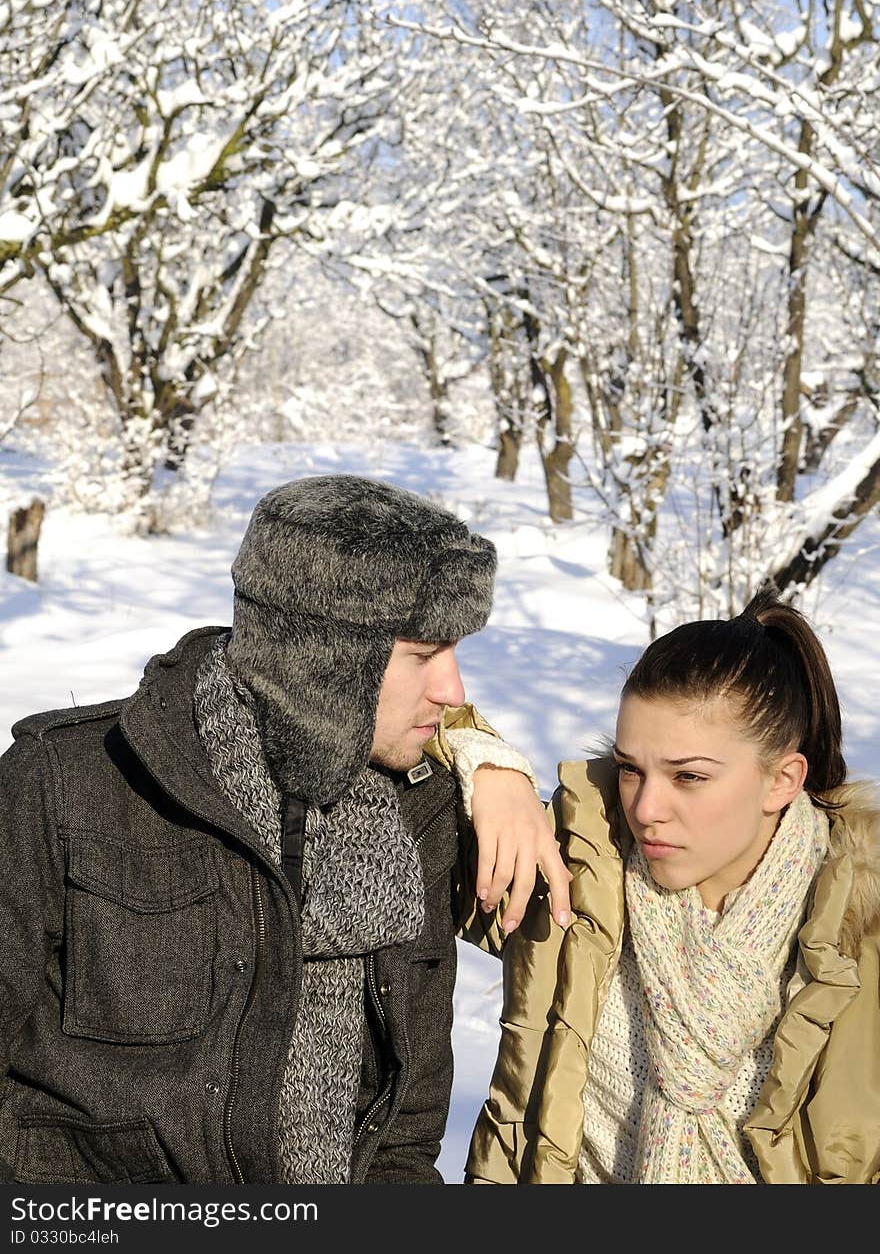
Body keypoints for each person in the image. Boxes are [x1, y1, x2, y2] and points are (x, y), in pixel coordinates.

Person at [0, 473, 569, 1185]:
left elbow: (404, 1131)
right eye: (423, 655)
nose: (453, 689)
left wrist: (494, 761)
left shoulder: (422, 812)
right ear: (324, 659)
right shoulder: (67, 784)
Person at [465, 589, 880, 1184]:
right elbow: (386, 781)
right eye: (631, 768)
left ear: (781, 780)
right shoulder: (577, 867)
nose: (647, 807)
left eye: (688, 776)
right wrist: (485, 766)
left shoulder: (862, 926)